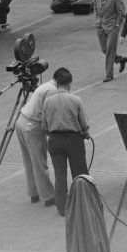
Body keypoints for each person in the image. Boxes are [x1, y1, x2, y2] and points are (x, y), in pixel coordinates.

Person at [41, 68, 90, 217]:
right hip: (73, 140)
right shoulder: (75, 100)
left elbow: (43, 125)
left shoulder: (48, 101)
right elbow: (83, 123)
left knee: (60, 175)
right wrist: (85, 132)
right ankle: (82, 204)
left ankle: (62, 208)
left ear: (56, 83)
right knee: (80, 173)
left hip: (55, 141)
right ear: (69, 84)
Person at [14, 75, 57, 208]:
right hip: (32, 127)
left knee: (28, 160)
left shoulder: (44, 86)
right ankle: (48, 196)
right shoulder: (53, 91)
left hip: (21, 121)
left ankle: (34, 193)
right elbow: (46, 115)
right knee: (39, 162)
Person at [95, 0, 127, 83]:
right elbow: (96, 10)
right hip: (100, 26)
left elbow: (122, 13)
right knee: (104, 49)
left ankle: (109, 75)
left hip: (112, 27)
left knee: (109, 51)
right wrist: (97, 21)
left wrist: (117, 24)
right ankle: (120, 60)